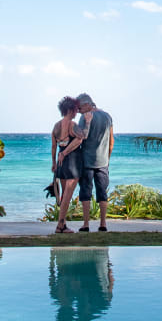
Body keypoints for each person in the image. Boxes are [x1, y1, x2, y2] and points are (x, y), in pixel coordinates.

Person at [67, 92, 113, 232]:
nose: (78, 111)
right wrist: (107, 159)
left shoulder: (85, 117)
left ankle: (86, 224)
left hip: (87, 161)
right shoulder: (107, 116)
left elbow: (81, 138)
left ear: (87, 104)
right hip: (103, 162)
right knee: (102, 192)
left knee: (85, 192)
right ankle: (103, 224)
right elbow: (111, 141)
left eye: (79, 108)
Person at [51, 96, 81, 234]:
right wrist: (65, 153)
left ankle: (62, 224)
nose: (76, 112)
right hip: (71, 161)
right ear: (70, 110)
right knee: (67, 196)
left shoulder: (56, 126)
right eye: (75, 110)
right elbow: (80, 139)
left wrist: (54, 162)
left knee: (64, 195)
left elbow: (53, 146)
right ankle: (60, 225)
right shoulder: (72, 125)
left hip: (60, 163)